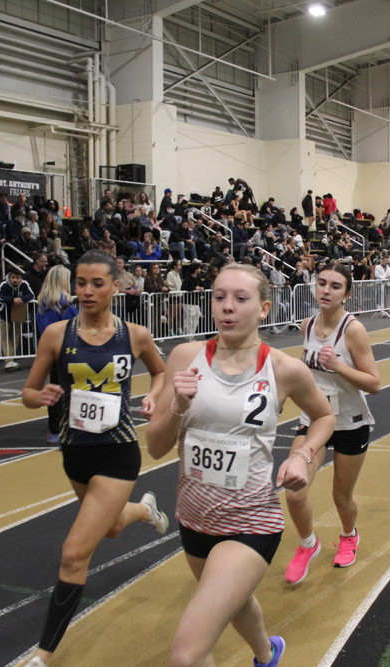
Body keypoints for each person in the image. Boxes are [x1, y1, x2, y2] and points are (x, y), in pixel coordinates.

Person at [145, 263, 335, 667]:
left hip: (251, 520)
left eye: (240, 298)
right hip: (194, 518)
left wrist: (302, 455)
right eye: (219, 297)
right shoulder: (185, 357)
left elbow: (323, 417)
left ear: (264, 308)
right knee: (236, 602)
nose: (227, 307)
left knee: (187, 654)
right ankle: (268, 654)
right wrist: (177, 405)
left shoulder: (283, 369)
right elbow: (156, 447)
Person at [21, 250, 169, 667]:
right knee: (112, 528)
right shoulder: (57, 335)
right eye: (81, 283)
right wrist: (41, 396)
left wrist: (153, 396)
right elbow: (28, 393)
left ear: (115, 287)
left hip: (118, 452)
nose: (86, 291)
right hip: (75, 453)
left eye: (96, 284)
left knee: (73, 554)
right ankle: (143, 510)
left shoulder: (135, 335)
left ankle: (43, 655)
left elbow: (160, 372)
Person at [283, 262, 380, 585]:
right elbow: (307, 374)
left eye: (335, 286)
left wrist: (339, 366)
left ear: (346, 295)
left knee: (341, 497)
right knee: (294, 489)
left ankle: (349, 535)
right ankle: (308, 543)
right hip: (313, 420)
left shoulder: (353, 330)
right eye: (322, 283)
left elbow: (374, 383)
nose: (326, 290)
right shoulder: (307, 325)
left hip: (350, 422)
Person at [35, 265, 78, 445]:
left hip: (50, 352)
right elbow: (76, 326)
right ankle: (68, 427)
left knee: (56, 390)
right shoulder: (64, 302)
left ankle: (54, 430)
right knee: (71, 392)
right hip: (66, 351)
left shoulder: (43, 302)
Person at [0, 268, 35, 372]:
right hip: (3, 316)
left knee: (15, 338)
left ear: (21, 278)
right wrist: (12, 300)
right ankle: (9, 361)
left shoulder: (24, 284)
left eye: (17, 277)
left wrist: (22, 299)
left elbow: (31, 295)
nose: (15, 280)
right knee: (5, 339)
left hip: (17, 316)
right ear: (9, 277)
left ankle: (10, 360)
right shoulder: (4, 284)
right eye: (13, 277)